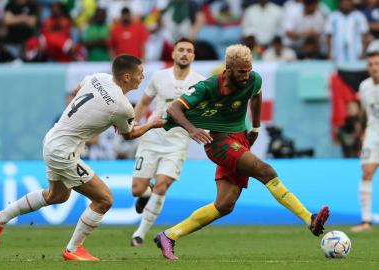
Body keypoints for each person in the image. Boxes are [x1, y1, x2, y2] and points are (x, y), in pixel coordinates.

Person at [153, 44, 330, 260]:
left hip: (239, 140)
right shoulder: (208, 86)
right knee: (266, 171)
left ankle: (169, 236)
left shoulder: (253, 79)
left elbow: (256, 94)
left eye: (248, 70)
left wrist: (255, 127)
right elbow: (174, 109)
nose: (246, 76)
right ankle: (309, 219)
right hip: (219, 142)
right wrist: (192, 130)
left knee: (225, 204)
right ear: (228, 69)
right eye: (241, 72)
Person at [0, 54, 166, 261]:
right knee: (104, 199)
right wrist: (152, 123)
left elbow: (76, 91)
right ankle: (73, 249)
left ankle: (0, 218)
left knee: (57, 196)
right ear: (126, 77)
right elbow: (129, 135)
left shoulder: (98, 77)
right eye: (140, 74)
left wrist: (92, 114)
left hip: (53, 138)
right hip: (64, 151)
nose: (142, 78)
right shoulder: (122, 106)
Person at [130, 38, 205, 246]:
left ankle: (139, 234)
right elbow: (144, 102)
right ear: (173, 54)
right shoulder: (158, 77)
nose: (184, 54)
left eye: (189, 51)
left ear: (193, 56)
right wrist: (133, 123)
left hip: (178, 141)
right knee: (137, 189)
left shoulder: (200, 82)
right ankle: (145, 194)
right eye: (181, 50)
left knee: (162, 186)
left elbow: (204, 112)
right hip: (152, 137)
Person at [351, 45, 379, 232]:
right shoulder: (365, 87)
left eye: (377, 63)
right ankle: (366, 220)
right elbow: (363, 113)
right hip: (373, 133)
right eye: (371, 64)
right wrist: (361, 134)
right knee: (367, 172)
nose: (374, 67)